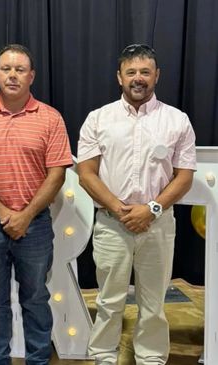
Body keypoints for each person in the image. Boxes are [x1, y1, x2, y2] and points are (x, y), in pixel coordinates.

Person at [77, 44, 196, 365]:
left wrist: (152, 209)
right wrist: (119, 209)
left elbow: (184, 176)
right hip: (111, 225)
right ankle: (102, 355)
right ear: (119, 77)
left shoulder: (177, 120)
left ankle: (152, 358)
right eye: (131, 72)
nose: (138, 78)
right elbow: (86, 173)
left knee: (154, 302)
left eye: (145, 71)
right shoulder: (98, 119)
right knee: (109, 300)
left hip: (157, 224)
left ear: (156, 75)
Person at [0, 44, 72, 365]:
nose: (12, 75)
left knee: (36, 299)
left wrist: (25, 215)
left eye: (19, 69)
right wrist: (3, 212)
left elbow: (57, 175)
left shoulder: (50, 118)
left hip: (35, 226)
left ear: (31, 76)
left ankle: (38, 360)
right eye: (6, 69)